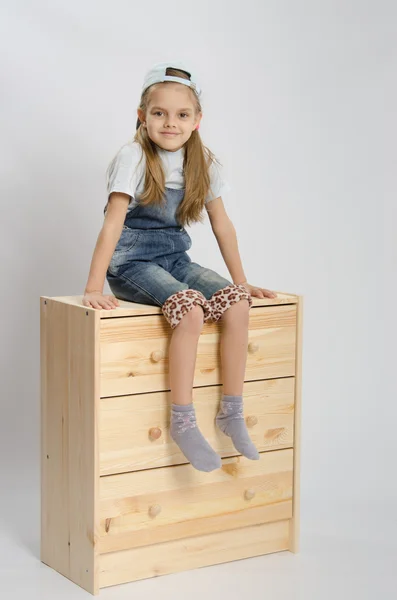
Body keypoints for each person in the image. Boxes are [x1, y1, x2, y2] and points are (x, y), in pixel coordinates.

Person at [82, 60, 277, 472]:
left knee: (237, 303)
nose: (170, 123)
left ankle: (231, 411)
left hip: (174, 257)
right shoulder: (133, 156)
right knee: (189, 309)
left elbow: (223, 226)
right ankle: (183, 420)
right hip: (132, 262)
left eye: (182, 114)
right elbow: (112, 224)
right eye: (159, 113)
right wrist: (94, 286)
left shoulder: (203, 162)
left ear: (197, 120)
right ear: (142, 116)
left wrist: (242, 282)